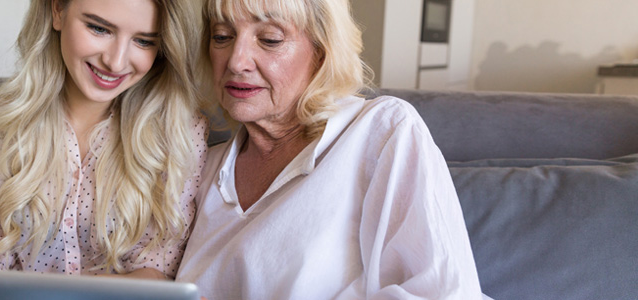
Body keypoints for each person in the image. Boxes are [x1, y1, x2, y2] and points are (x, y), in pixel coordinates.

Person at [174, 0, 488, 298]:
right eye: (222, 36)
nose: (236, 60)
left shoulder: (381, 131)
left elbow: (441, 293)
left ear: (321, 53)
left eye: (269, 39)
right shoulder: (198, 170)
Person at [0, 0, 208, 280]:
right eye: (99, 28)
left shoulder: (182, 133)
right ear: (57, 10)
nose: (115, 62)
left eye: (143, 41)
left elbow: (160, 269)